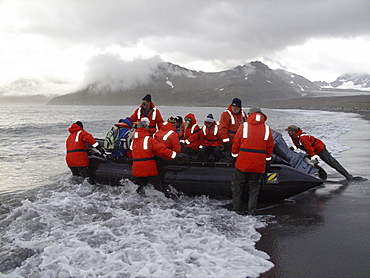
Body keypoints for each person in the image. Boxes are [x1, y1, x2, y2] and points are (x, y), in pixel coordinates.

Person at [231, 108, 274, 215]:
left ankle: (236, 209)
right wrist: (266, 161)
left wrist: (234, 157)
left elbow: (236, 143)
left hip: (243, 164)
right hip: (258, 165)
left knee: (237, 186)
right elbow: (270, 148)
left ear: (250, 115)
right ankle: (251, 212)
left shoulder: (243, 126)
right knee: (254, 189)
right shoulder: (267, 129)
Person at [131, 117, 184, 198]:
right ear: (146, 128)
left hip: (136, 169)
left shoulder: (134, 140)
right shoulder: (149, 140)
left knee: (138, 189)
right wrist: (175, 156)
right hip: (149, 168)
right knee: (159, 188)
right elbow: (162, 150)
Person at [285, 124, 354, 180]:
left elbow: (310, 149)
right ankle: (322, 174)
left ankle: (348, 176)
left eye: (289, 131)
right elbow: (298, 145)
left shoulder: (303, 138)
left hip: (320, 149)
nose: (288, 132)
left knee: (331, 162)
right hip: (312, 150)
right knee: (309, 162)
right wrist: (291, 148)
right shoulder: (294, 137)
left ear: (294, 131)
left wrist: (314, 159)